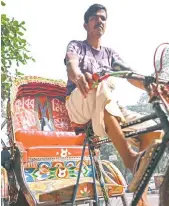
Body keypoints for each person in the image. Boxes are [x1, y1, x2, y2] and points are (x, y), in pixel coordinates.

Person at [64, 4, 161, 206]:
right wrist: (79, 75)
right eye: (94, 18)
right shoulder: (76, 46)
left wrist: (152, 85)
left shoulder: (110, 54)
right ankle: (129, 159)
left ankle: (140, 198)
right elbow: (71, 65)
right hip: (78, 104)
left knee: (154, 131)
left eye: (103, 18)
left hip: (107, 104)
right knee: (99, 86)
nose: (99, 20)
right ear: (85, 24)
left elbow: (130, 75)